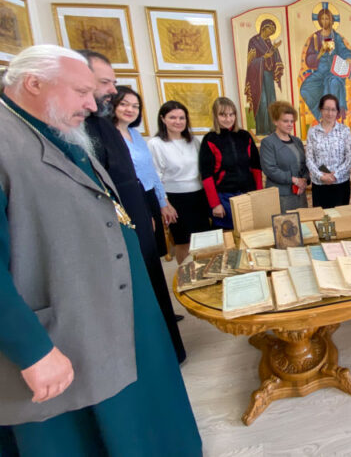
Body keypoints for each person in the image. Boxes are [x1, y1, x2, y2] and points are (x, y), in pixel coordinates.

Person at [0, 45, 201, 455]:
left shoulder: (56, 128)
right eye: (81, 92)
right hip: (62, 333)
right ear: (34, 83)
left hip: (110, 317)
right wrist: (32, 350)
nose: (93, 105)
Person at [78, 49, 186, 363]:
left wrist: (154, 206)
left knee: (152, 272)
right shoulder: (93, 129)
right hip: (122, 216)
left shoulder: (130, 135)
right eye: (108, 85)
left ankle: (167, 337)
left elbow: (144, 174)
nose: (116, 96)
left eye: (134, 105)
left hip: (141, 204)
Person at [111, 86, 175, 259]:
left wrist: (162, 202)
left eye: (135, 106)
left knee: (154, 251)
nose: (130, 109)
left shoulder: (135, 134)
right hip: (131, 200)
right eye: (124, 104)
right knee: (141, 251)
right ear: (112, 105)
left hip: (149, 196)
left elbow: (150, 171)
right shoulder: (110, 137)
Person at [148, 101, 211, 263]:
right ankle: (185, 274)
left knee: (204, 241)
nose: (178, 121)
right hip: (175, 200)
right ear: (163, 119)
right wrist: (165, 204)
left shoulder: (194, 141)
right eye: (172, 117)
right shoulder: (156, 144)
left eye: (182, 118)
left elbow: (202, 171)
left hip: (198, 197)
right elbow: (155, 177)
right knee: (183, 242)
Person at [199, 97, 262, 228]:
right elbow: (206, 176)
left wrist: (259, 194)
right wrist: (215, 204)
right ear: (215, 116)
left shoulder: (245, 136)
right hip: (224, 198)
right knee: (229, 235)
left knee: (250, 231)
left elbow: (256, 167)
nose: (228, 119)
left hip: (248, 194)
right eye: (223, 115)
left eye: (231, 114)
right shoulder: (209, 139)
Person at [299, 7, 351, 120]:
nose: (324, 21)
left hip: (334, 71)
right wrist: (320, 53)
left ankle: (333, 116)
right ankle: (321, 115)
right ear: (319, 21)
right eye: (322, 19)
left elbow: (344, 51)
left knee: (332, 82)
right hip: (320, 72)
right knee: (305, 88)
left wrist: (348, 58)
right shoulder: (315, 37)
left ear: (331, 20)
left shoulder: (336, 37)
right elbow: (309, 59)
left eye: (327, 19)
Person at [305, 94, 351, 209]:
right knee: (322, 217)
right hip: (319, 184)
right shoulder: (312, 132)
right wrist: (321, 176)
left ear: (337, 112)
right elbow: (309, 158)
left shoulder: (345, 130)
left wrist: (336, 175)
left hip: (340, 183)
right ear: (321, 110)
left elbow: (350, 157)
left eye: (333, 110)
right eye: (326, 109)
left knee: (341, 217)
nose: (330, 113)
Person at [259, 101, 310, 213]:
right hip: (281, 196)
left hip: (299, 193)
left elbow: (304, 165)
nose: (290, 124)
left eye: (292, 121)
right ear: (275, 121)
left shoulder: (297, 141)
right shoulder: (268, 143)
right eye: (285, 121)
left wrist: (304, 180)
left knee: (304, 222)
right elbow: (270, 170)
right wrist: (295, 180)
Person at [245, 18, 284, 135]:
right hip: (257, 76)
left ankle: (272, 129)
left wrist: (274, 49)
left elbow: (272, 56)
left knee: (271, 101)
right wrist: (263, 58)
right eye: (270, 29)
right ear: (263, 28)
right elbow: (250, 62)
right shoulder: (254, 41)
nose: (271, 32)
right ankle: (263, 130)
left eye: (273, 31)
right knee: (262, 101)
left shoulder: (268, 42)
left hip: (268, 75)